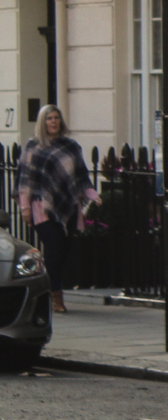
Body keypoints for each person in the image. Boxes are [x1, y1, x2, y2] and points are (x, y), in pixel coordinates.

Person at [14, 105, 102, 314]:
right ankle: (54, 295)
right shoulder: (33, 147)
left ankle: (49, 287)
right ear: (42, 123)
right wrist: (24, 207)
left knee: (63, 252)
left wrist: (93, 195)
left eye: (56, 118)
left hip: (68, 207)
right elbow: (25, 181)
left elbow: (80, 177)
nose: (53, 122)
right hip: (40, 208)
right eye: (49, 118)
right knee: (54, 247)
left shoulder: (71, 146)